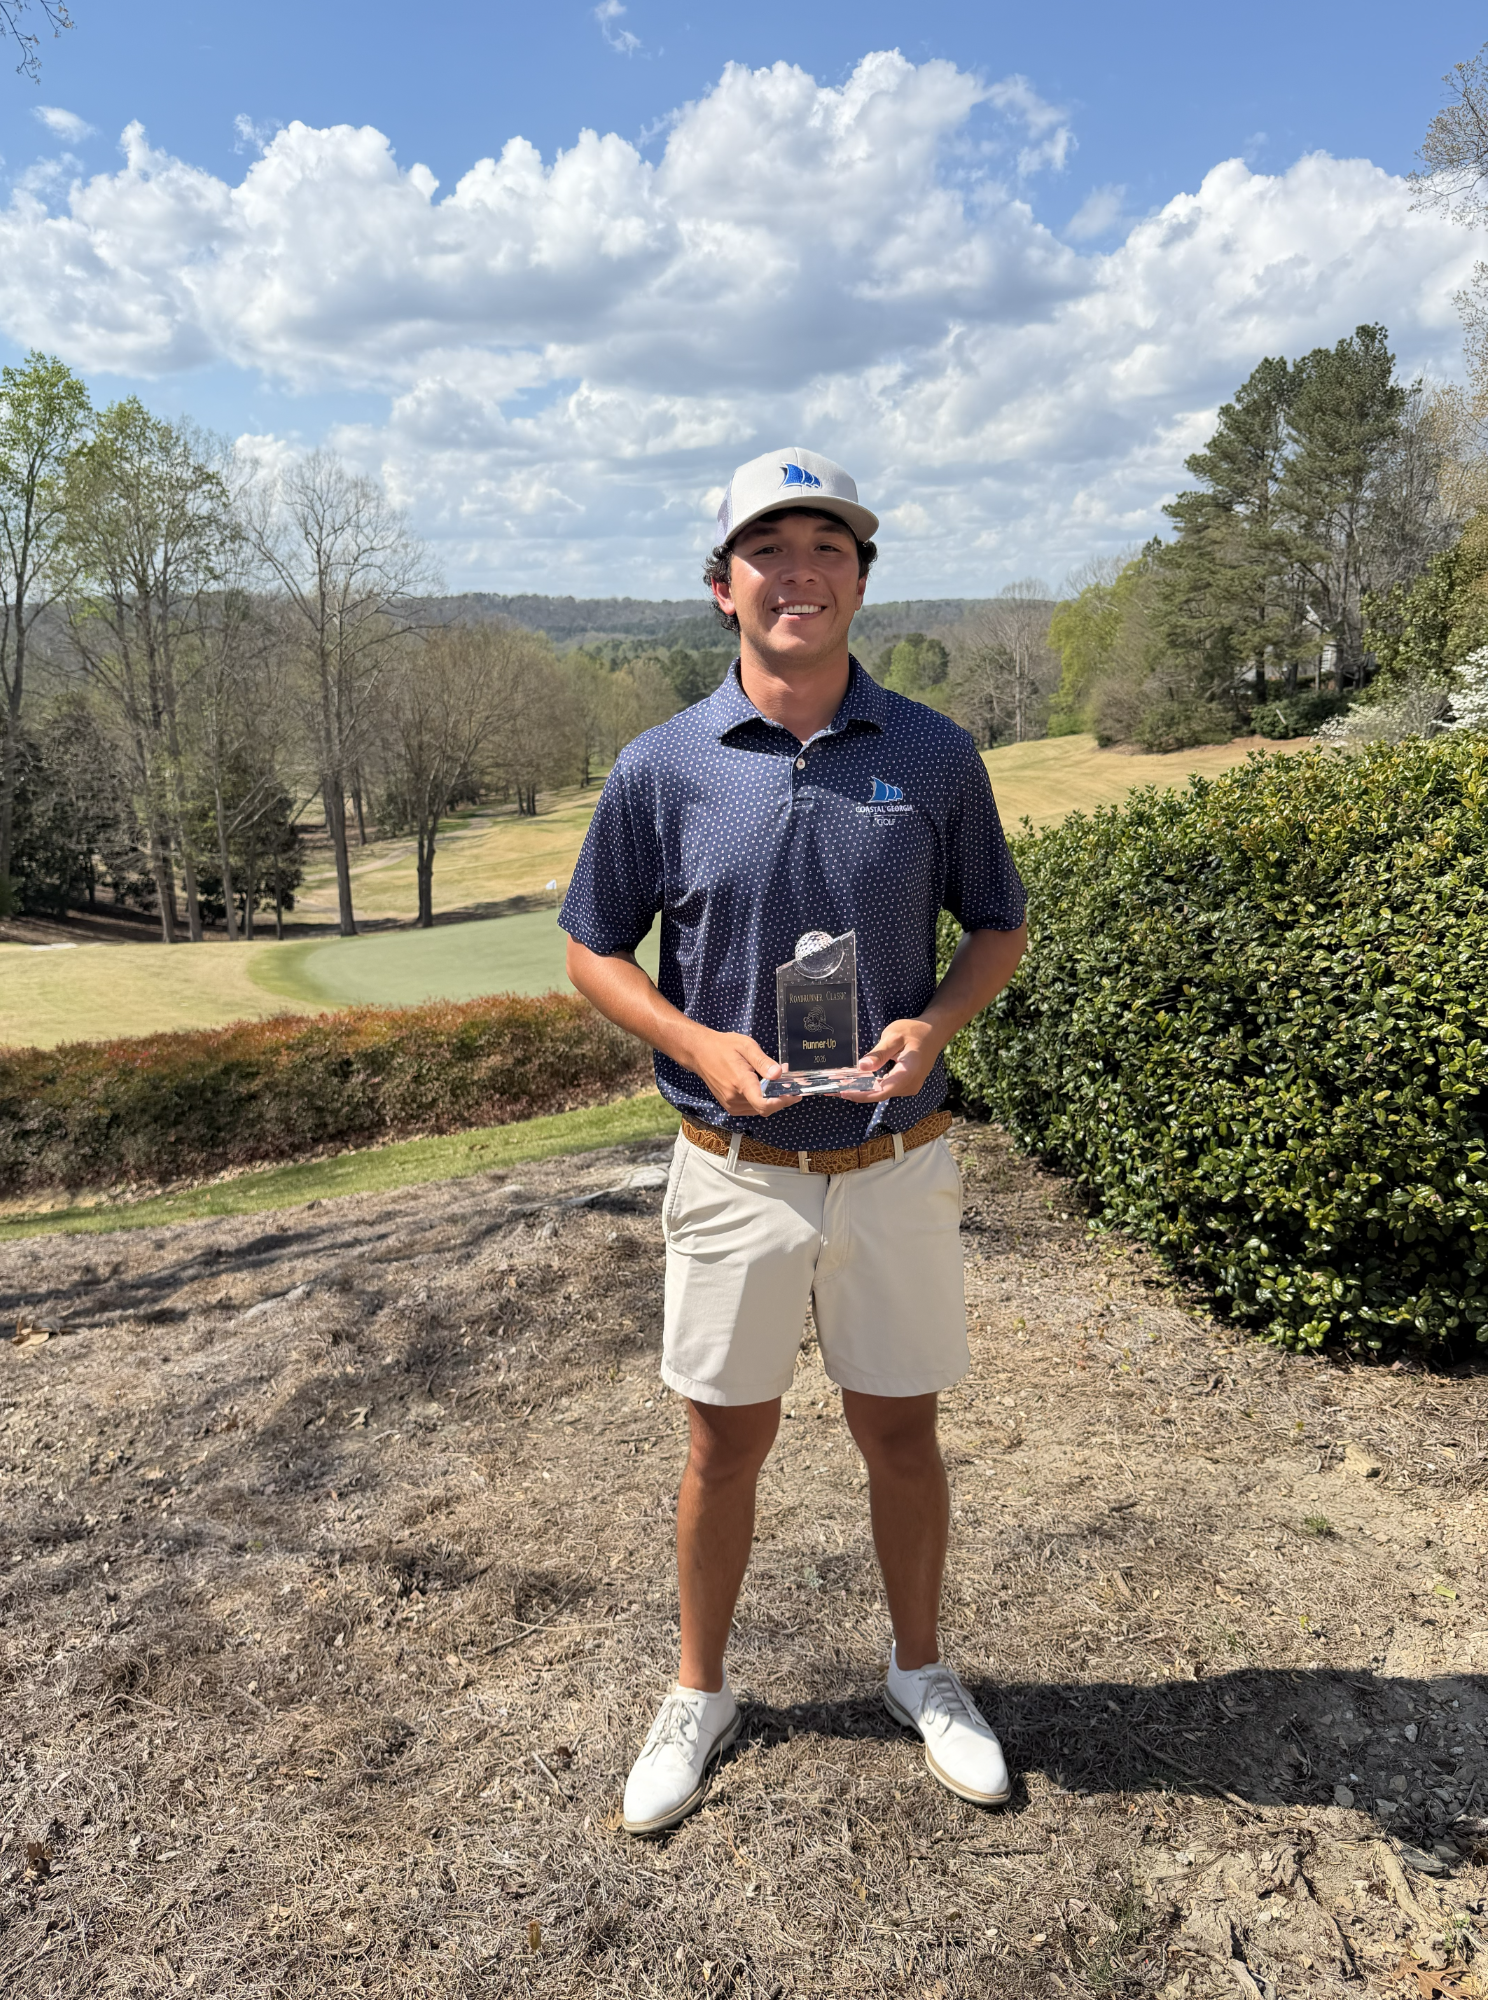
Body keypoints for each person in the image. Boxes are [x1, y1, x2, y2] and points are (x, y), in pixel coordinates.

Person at [559, 446, 1028, 1835]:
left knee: (902, 1436)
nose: (800, 573)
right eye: (770, 549)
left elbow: (995, 923)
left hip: (895, 1163)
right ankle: (700, 1692)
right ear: (724, 589)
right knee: (723, 1447)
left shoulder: (936, 755)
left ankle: (922, 1673)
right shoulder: (665, 767)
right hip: (735, 1170)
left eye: (828, 547)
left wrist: (936, 1024)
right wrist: (697, 1044)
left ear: (861, 581)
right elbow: (592, 946)